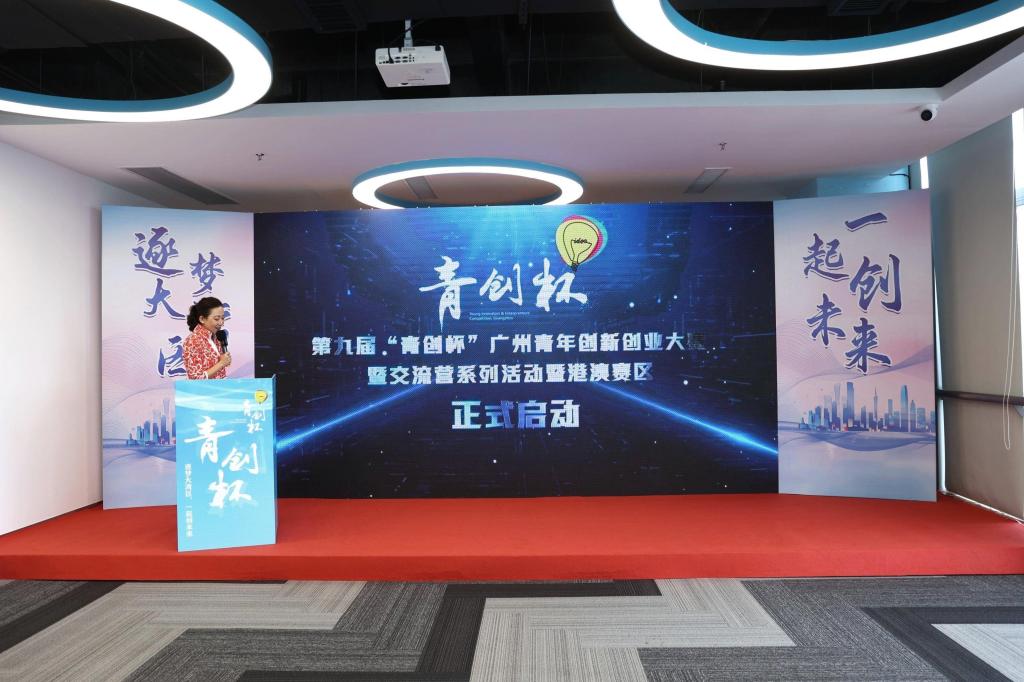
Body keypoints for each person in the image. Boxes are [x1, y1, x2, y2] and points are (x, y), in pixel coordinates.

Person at [183, 297, 232, 380]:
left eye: (223, 318)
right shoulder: (192, 341)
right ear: (202, 319)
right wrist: (221, 363)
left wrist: (224, 360)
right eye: (216, 319)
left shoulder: (215, 337)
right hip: (205, 388)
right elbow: (195, 379)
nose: (221, 323)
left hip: (221, 386)